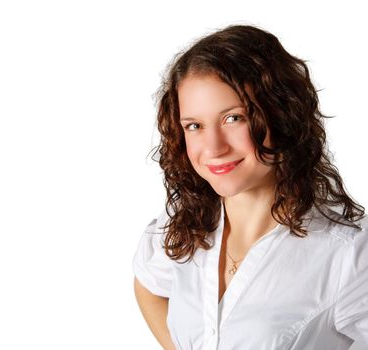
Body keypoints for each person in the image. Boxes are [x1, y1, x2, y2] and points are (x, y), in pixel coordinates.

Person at [132, 24, 368, 350]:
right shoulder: (183, 227)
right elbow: (148, 285)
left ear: (282, 115)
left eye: (234, 118)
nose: (213, 147)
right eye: (194, 126)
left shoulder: (347, 254)